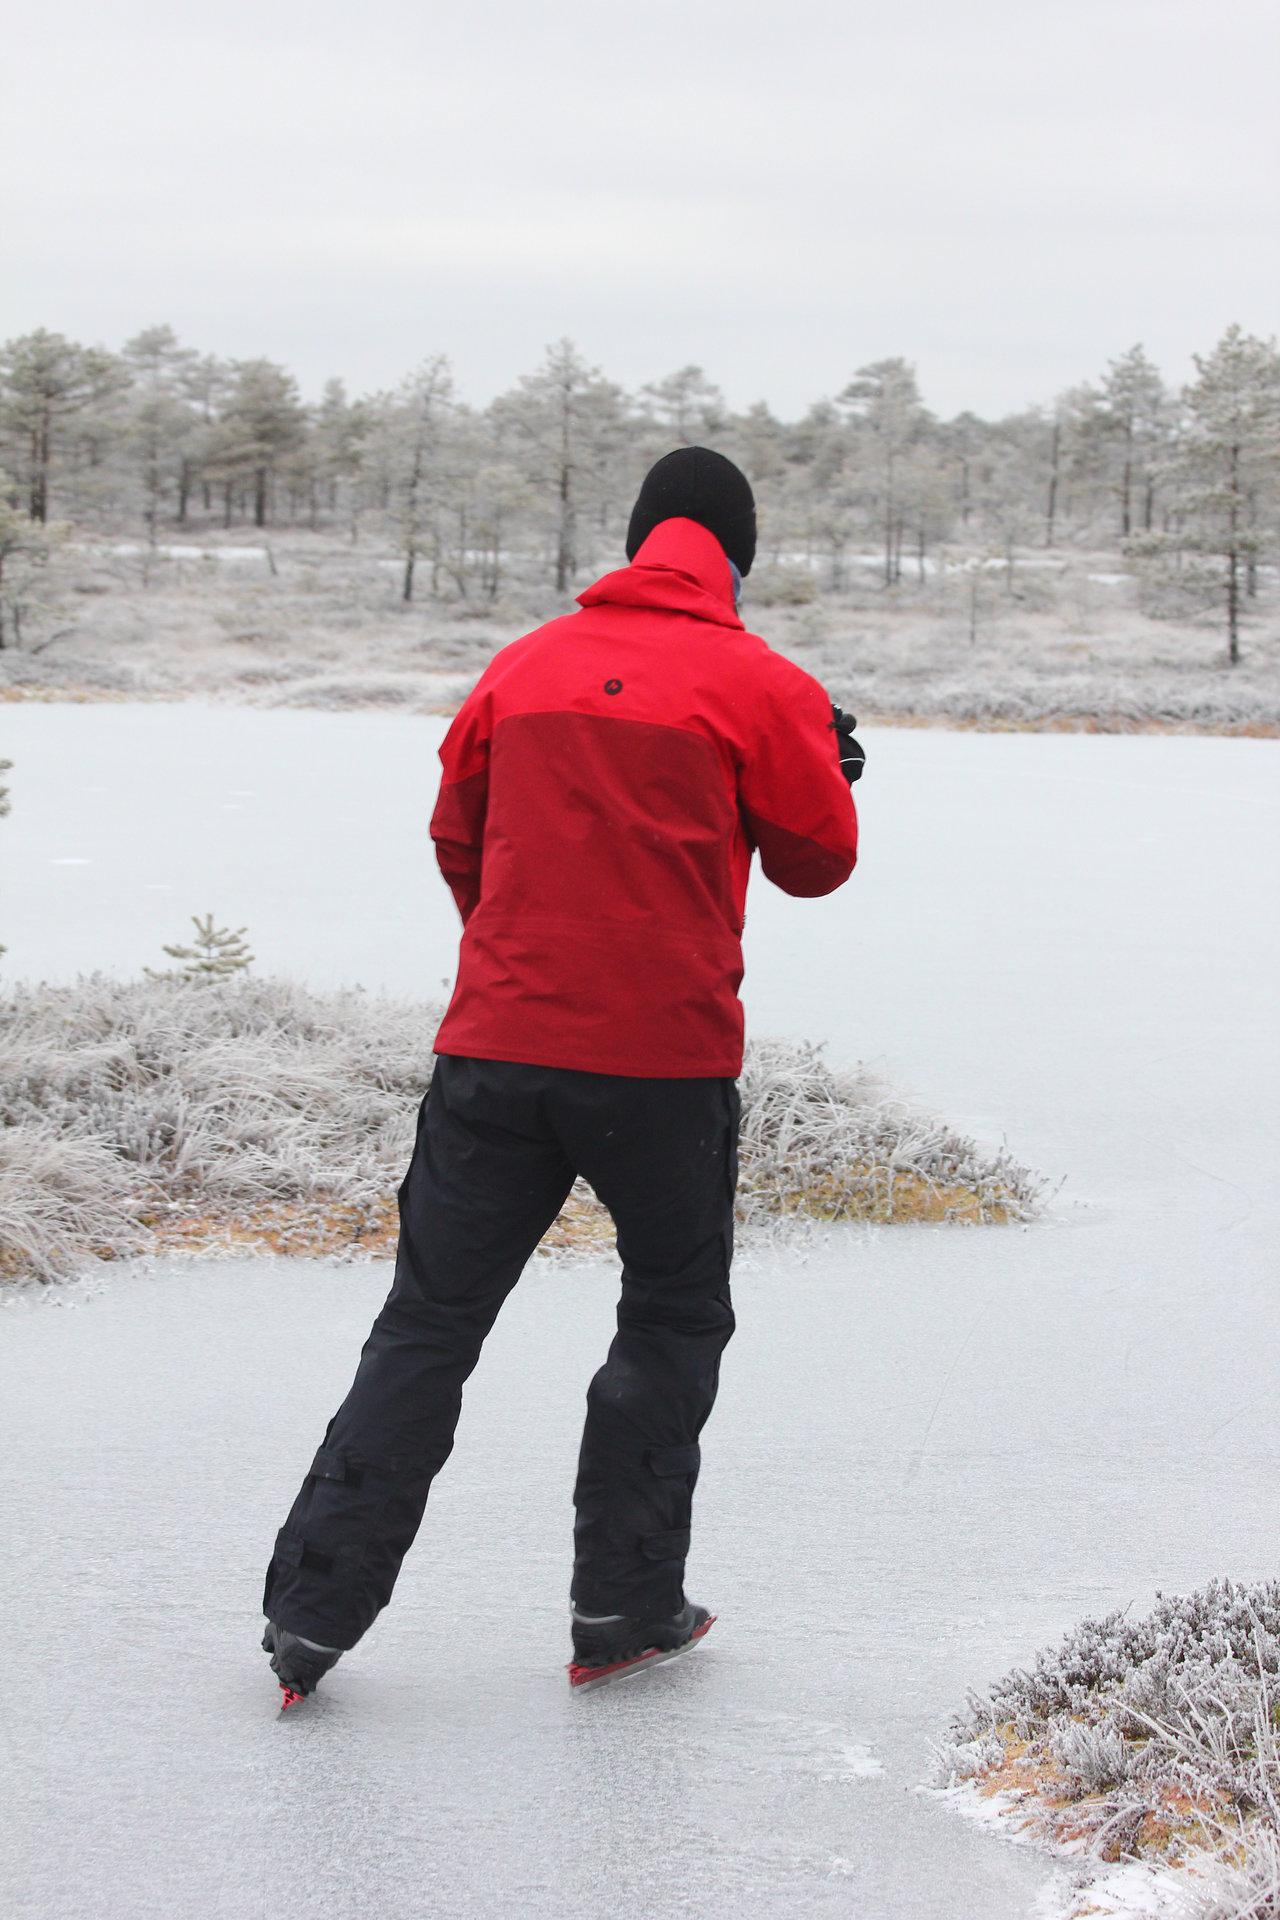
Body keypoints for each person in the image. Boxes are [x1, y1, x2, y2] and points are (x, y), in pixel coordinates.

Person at [261, 446, 863, 1703]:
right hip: (664, 1069)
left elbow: (454, 834)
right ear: (735, 559)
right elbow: (817, 862)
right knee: (670, 1318)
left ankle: (309, 1620)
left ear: (636, 539)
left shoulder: (522, 665)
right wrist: (826, 756)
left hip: (496, 1050)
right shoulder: (760, 684)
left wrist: (519, 950)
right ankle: (623, 1608)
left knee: (425, 1327)